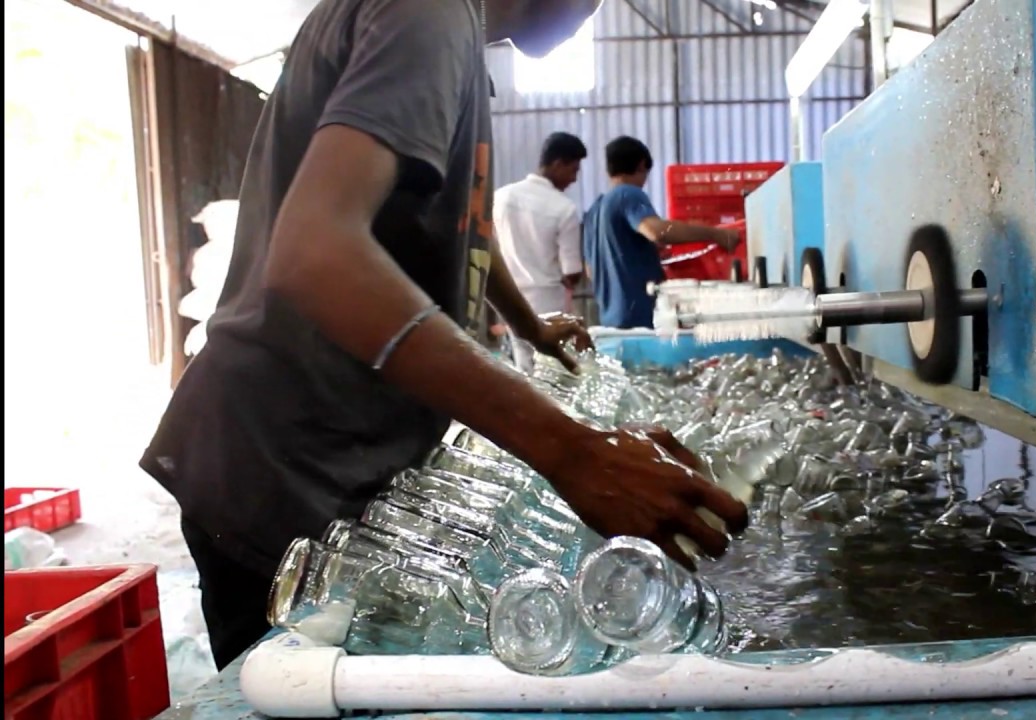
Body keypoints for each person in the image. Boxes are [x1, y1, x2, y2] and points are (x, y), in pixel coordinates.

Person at [139, 0, 748, 671]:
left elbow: (460, 223)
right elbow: (317, 252)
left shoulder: (447, 36)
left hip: (325, 445)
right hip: (287, 459)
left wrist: (529, 327)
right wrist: (574, 452)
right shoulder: (425, 12)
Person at [583, 136, 741, 329]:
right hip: (638, 320)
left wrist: (643, 254)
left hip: (610, 323)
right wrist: (717, 234)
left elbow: (591, 270)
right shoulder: (628, 193)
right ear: (641, 166)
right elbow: (657, 231)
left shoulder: (594, 211)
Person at [493, 132, 589, 372]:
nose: (573, 179)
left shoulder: (501, 197)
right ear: (558, 164)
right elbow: (572, 272)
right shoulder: (563, 208)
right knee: (553, 373)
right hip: (548, 302)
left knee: (523, 369)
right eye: (573, 171)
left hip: (507, 297)